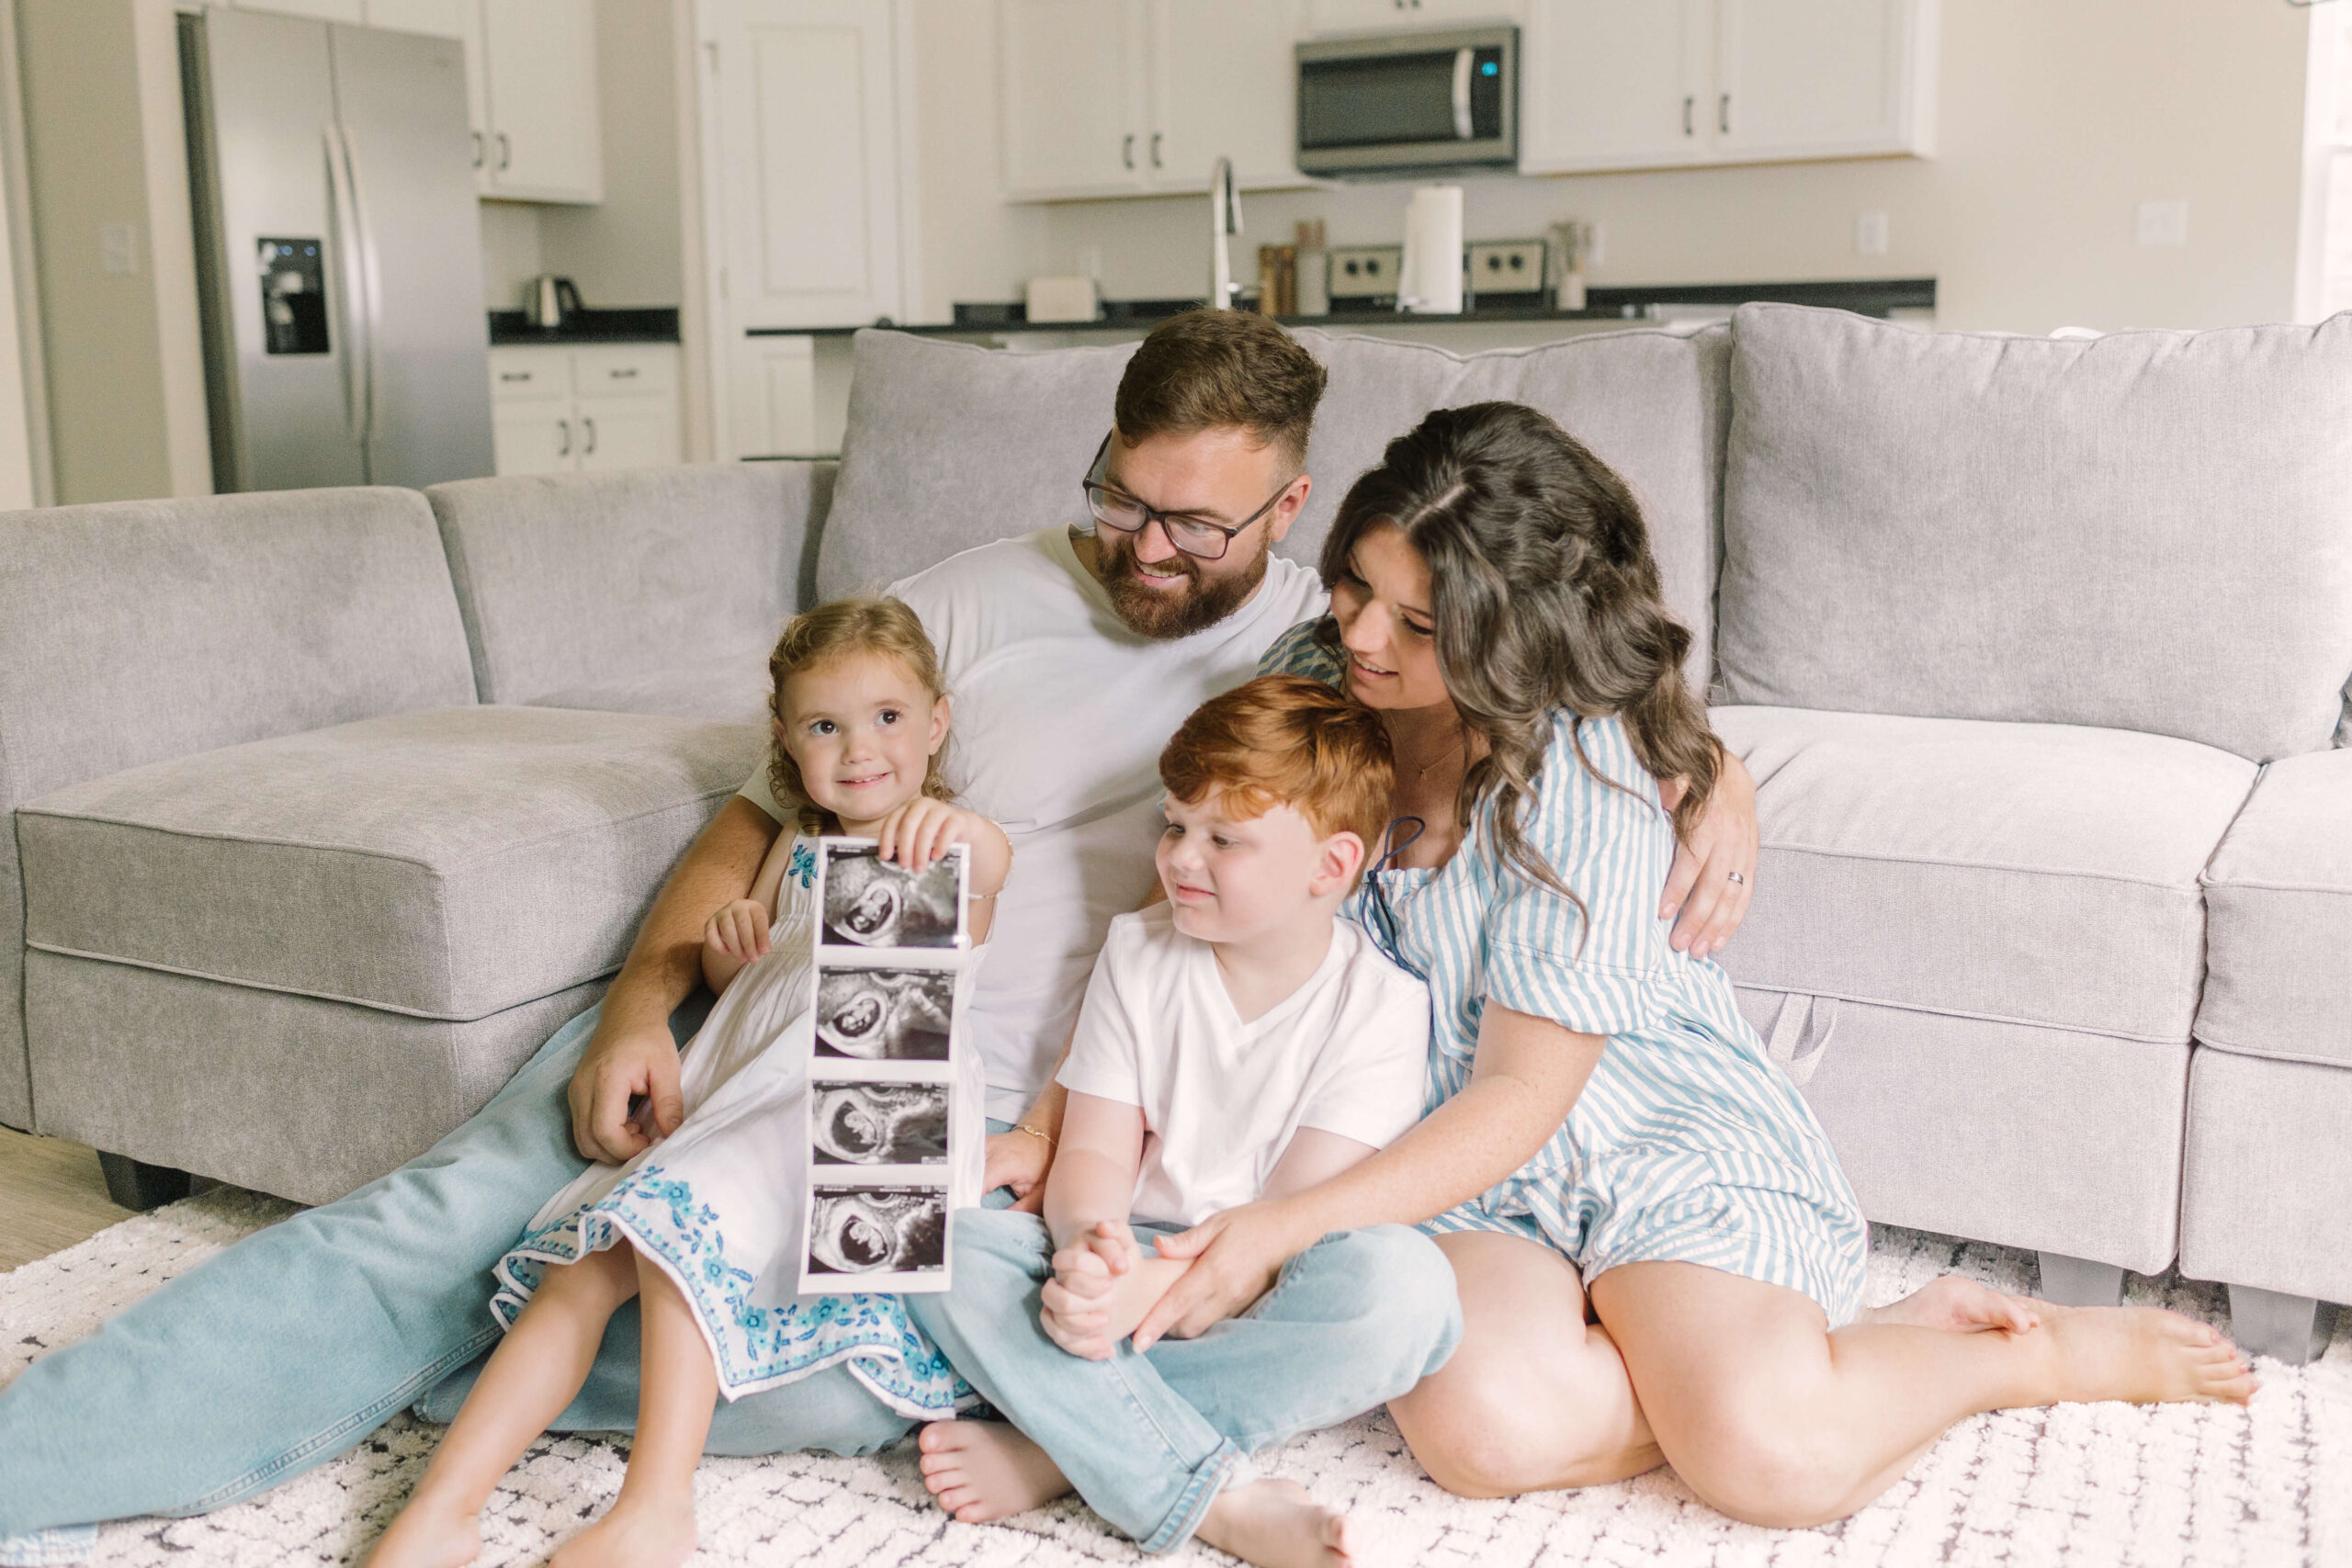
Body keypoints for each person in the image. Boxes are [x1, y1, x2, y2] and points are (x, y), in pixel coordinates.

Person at [0, 312, 1758, 1552]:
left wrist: (1707, 765)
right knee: (442, 1232)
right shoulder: (974, 600)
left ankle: (572, 1369)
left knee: (870, 1345)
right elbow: (761, 801)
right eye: (1117, 495)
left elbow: (1571, 672)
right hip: (787, 1013)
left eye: (1191, 522)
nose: (1142, 549)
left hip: (974, 1110)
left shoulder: (1341, 647)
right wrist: (634, 1001)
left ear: (1285, 515)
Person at [1081, 401, 2258, 1529]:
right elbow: (1183, 901)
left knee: (1770, 1461)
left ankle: (2005, 1358)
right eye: (1355, 586)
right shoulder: (1315, 671)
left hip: (1640, 1129)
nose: (1362, 635)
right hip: (1448, 1163)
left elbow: (1522, 1093)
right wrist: (1055, 1125)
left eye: (1421, 624)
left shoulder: (1578, 766)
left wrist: (1277, 1231)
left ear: (1518, 634)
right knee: (1482, 1437)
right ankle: (1773, 1361)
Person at [367, 598, 1009, 1568]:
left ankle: (655, 1509)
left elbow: (987, 873)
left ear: (936, 723)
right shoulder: (792, 849)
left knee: (673, 1236)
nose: (859, 748)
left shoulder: (952, 842)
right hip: (745, 1091)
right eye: (824, 727)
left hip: (861, 1113)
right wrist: (730, 946)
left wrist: (946, 830)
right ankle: (444, 1505)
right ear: (788, 746)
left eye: (886, 717)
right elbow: (737, 982)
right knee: (580, 1270)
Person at [909, 677, 1456, 1568]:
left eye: (1222, 839)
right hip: (1127, 1249)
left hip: (1260, 1278)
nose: (1179, 859)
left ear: (1331, 865)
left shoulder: (1381, 1008)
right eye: (1173, 826)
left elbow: (1287, 1219)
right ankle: (1197, 1490)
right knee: (946, 1245)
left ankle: (1061, 1447)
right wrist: (1094, 1246)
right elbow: (1091, 1145)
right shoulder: (1140, 950)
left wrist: (1149, 1294)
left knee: (1409, 1296)